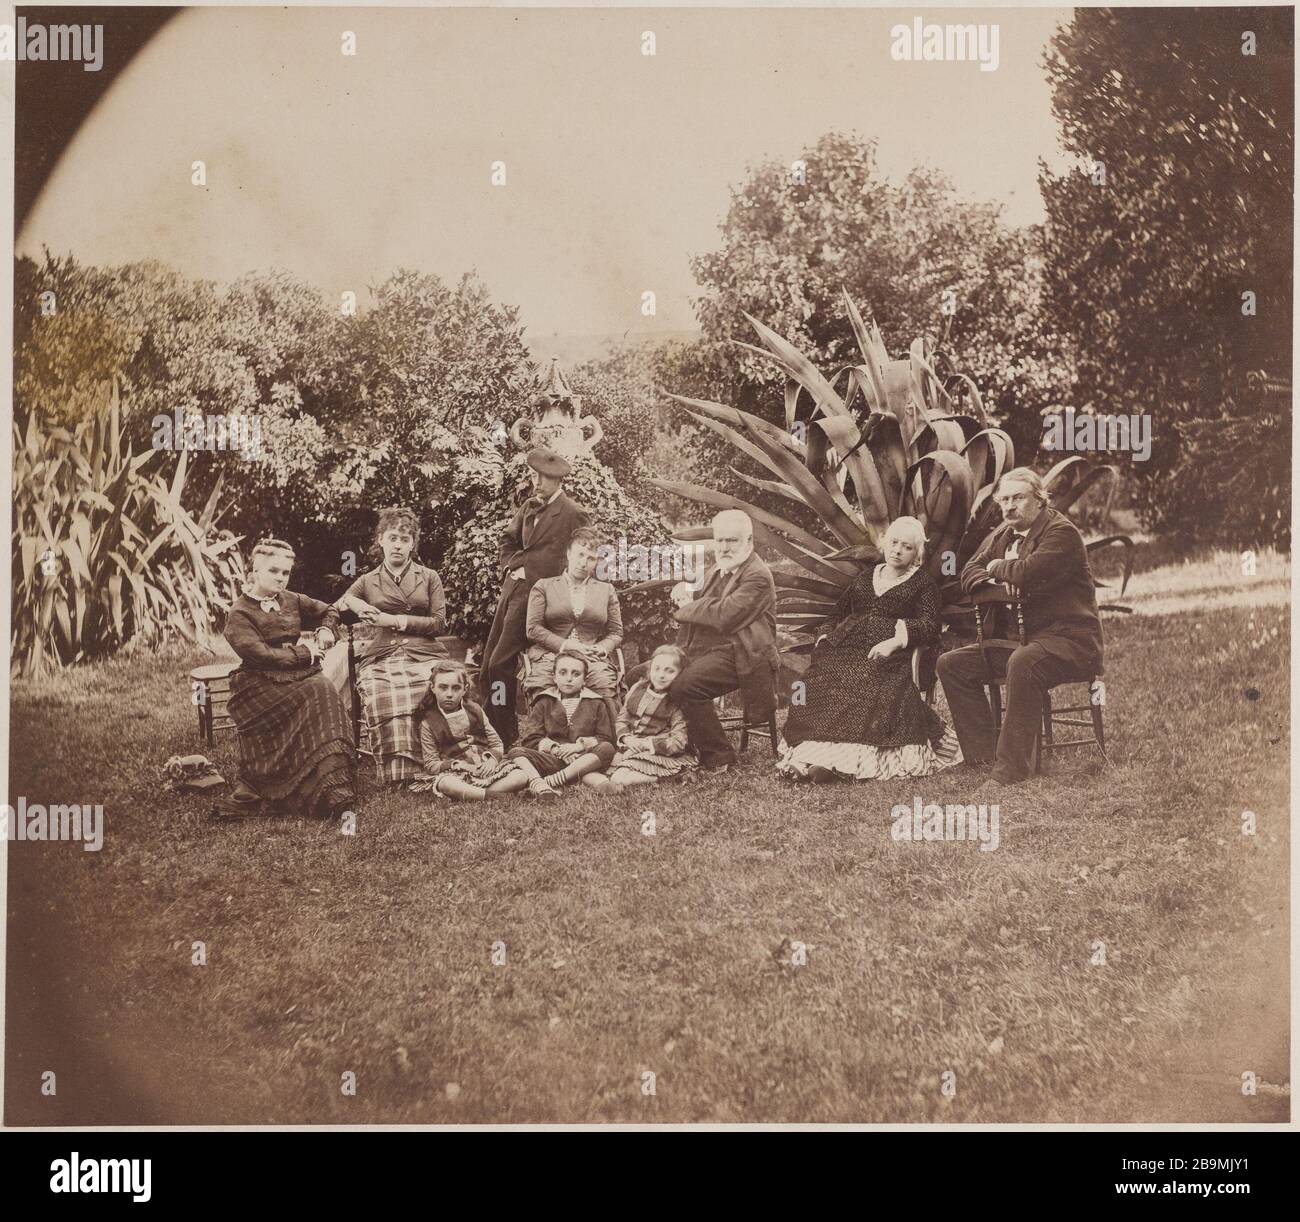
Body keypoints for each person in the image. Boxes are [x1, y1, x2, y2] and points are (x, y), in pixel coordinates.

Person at [936, 467, 1105, 787]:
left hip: (1070, 641)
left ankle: (1010, 771)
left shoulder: (1061, 533)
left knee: (1023, 663)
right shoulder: (1005, 533)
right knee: (952, 664)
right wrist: (1002, 576)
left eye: (1018, 498)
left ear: (1040, 500)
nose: (1009, 507)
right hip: (1022, 641)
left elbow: (1030, 571)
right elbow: (968, 573)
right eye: (1003, 500)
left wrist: (999, 567)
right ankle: (983, 757)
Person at [777, 517, 961, 782]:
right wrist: (824, 636)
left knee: (868, 689)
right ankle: (807, 757)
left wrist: (895, 641)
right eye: (894, 543)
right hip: (846, 648)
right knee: (815, 685)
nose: (898, 550)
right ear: (884, 543)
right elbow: (836, 613)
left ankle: (836, 765)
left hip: (889, 655)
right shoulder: (866, 577)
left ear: (917, 554)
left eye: (907, 547)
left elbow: (930, 624)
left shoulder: (923, 584)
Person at [220, 538, 356, 819]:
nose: (281, 578)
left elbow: (329, 610)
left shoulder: (291, 599)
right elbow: (260, 655)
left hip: (297, 676)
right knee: (319, 689)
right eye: (273, 571)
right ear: (254, 572)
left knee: (321, 689)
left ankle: (331, 783)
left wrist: (326, 630)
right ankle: (291, 783)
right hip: (257, 684)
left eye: (285, 572)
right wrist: (304, 653)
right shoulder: (239, 613)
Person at [327, 507, 449, 784]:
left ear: (413, 544)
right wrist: (354, 603)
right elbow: (338, 606)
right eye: (392, 537)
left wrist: (394, 620)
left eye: (405, 539)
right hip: (383, 653)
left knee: (436, 689)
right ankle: (399, 773)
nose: (398, 545)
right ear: (380, 539)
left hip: (424, 651)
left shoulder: (429, 577)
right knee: (381, 692)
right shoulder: (368, 580)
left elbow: (440, 623)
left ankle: (437, 762)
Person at [482, 448, 590, 747]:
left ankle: (506, 737)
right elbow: (508, 539)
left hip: (537, 597)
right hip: (512, 590)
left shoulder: (573, 512)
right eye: (533, 476)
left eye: (542, 478)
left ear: (557, 480)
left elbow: (584, 556)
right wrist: (510, 566)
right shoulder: (529, 506)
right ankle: (490, 732)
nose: (536, 482)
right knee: (486, 666)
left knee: (499, 665)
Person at [668, 509, 781, 772]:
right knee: (644, 674)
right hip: (708, 650)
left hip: (744, 654)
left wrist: (688, 607)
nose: (724, 547)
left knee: (686, 686)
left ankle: (719, 755)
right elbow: (701, 594)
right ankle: (676, 743)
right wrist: (685, 589)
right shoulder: (720, 568)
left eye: (732, 540)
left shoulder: (758, 576)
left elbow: (724, 615)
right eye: (720, 540)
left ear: (749, 542)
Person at [491, 648, 617, 798]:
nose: (569, 678)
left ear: (585, 679)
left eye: (576, 674)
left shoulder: (596, 702)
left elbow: (604, 736)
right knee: (516, 752)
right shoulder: (544, 701)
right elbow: (531, 739)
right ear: (554, 677)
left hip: (583, 757)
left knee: (607, 748)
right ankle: (539, 782)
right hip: (553, 759)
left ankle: (554, 780)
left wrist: (578, 746)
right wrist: (556, 750)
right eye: (563, 673)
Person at [524, 527, 622, 700]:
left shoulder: (606, 590)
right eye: (580, 554)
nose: (583, 563)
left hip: (591, 660)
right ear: (569, 554)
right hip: (550, 656)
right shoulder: (544, 586)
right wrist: (568, 646)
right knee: (543, 695)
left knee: (606, 689)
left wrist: (601, 648)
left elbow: (616, 632)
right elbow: (533, 629)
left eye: (591, 558)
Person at [585, 644, 696, 792]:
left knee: (620, 777)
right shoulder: (638, 688)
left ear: (680, 674)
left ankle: (673, 775)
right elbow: (622, 718)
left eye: (669, 671)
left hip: (659, 752)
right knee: (594, 767)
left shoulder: (676, 701)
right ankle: (610, 782)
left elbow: (679, 741)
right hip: (632, 745)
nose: (661, 675)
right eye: (657, 669)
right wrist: (626, 738)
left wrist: (647, 744)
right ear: (650, 669)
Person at [411, 661, 506, 802]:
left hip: (485, 768)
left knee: (520, 775)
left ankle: (474, 793)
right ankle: (490, 794)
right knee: (445, 784)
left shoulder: (476, 710)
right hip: (456, 774)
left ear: (465, 689)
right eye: (443, 688)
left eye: (456, 688)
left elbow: (497, 743)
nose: (449, 694)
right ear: (433, 687)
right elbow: (431, 764)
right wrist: (460, 766)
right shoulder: (428, 723)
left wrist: (491, 762)